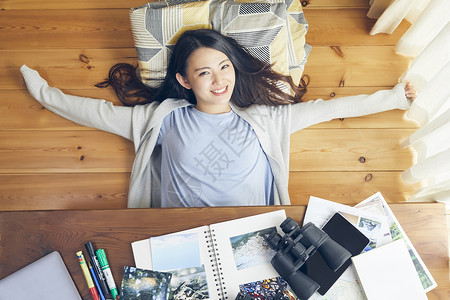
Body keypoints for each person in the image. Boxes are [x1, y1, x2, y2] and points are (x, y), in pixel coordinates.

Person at [20, 29, 417, 208]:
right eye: (204, 72)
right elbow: (94, 112)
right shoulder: (161, 119)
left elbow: (331, 109)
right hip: (179, 235)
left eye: (223, 66)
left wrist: (394, 97)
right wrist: (40, 91)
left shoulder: (264, 120)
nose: (218, 80)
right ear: (184, 80)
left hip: (249, 233)